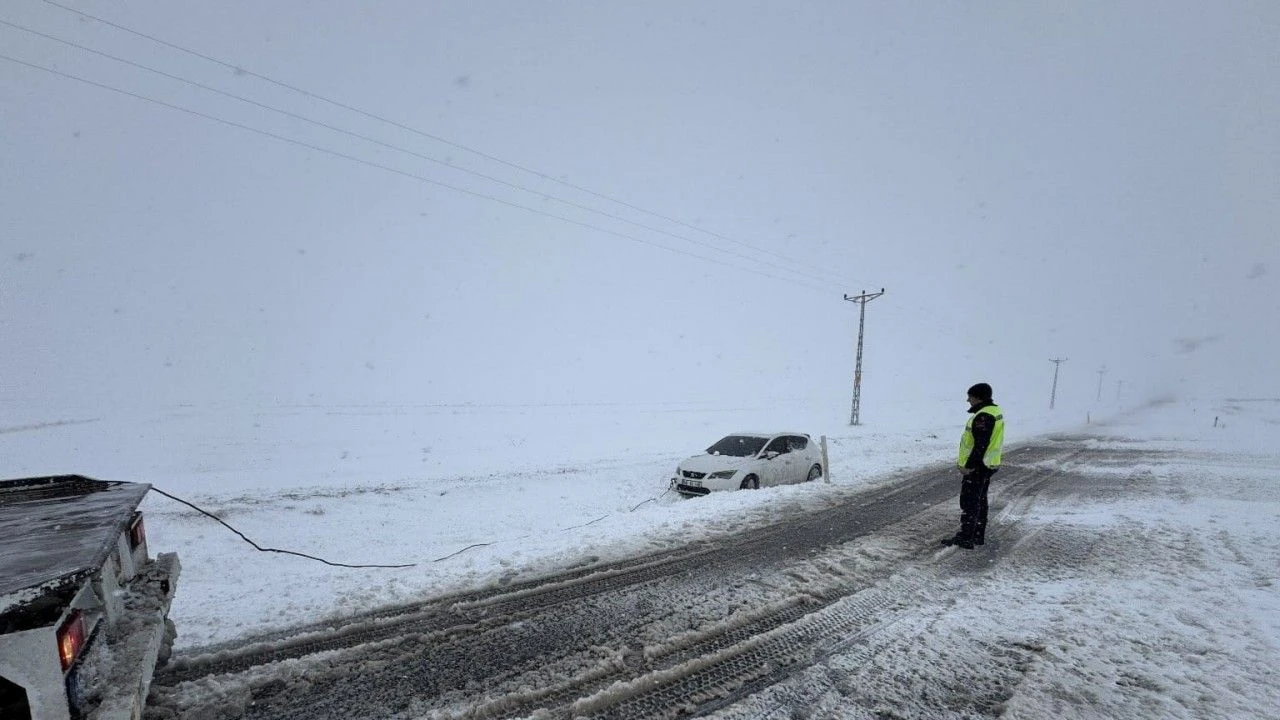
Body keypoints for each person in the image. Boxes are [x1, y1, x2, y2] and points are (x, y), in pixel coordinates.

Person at [942, 382, 1005, 549]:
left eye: (970, 397)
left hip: (978, 466)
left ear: (978, 398)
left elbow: (980, 444)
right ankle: (977, 534)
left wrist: (969, 466)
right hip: (988, 464)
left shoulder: (983, 416)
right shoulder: (994, 411)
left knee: (970, 501)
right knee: (980, 500)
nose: (968, 400)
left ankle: (966, 536)